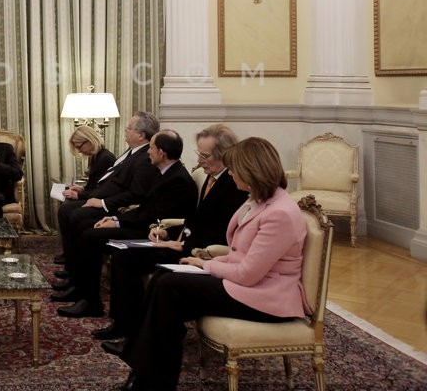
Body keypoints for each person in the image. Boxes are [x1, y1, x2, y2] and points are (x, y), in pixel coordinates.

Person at [116, 137, 309, 391]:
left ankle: (147, 379)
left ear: (251, 171)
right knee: (163, 280)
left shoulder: (279, 213)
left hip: (265, 298)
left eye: (234, 168)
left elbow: (248, 273)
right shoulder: (258, 200)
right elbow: (241, 255)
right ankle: (148, 376)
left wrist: (205, 265)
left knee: (169, 287)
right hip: (249, 285)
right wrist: (208, 260)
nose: (230, 173)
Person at [93, 124, 247, 351]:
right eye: (199, 154)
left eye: (204, 155)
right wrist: (167, 232)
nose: (200, 160)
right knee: (122, 254)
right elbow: (197, 220)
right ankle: (127, 325)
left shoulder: (233, 186)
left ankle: (133, 332)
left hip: (201, 252)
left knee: (129, 261)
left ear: (224, 156)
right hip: (184, 242)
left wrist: (183, 244)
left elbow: (221, 231)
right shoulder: (212, 177)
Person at [54, 130, 198, 318]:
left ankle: (91, 302)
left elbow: (151, 215)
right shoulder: (165, 172)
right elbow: (146, 210)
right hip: (147, 226)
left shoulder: (176, 179)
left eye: (152, 148)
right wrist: (114, 220)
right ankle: (85, 294)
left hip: (156, 234)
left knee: (90, 235)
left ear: (161, 153)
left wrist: (117, 221)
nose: (148, 152)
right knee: (89, 231)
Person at [54, 112, 160, 267]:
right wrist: (86, 194)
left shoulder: (143, 158)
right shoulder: (131, 152)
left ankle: (76, 272)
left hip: (116, 207)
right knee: (69, 211)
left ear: (141, 135)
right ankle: (73, 270)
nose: (125, 130)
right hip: (103, 198)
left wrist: (102, 202)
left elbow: (134, 193)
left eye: (129, 128)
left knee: (75, 214)